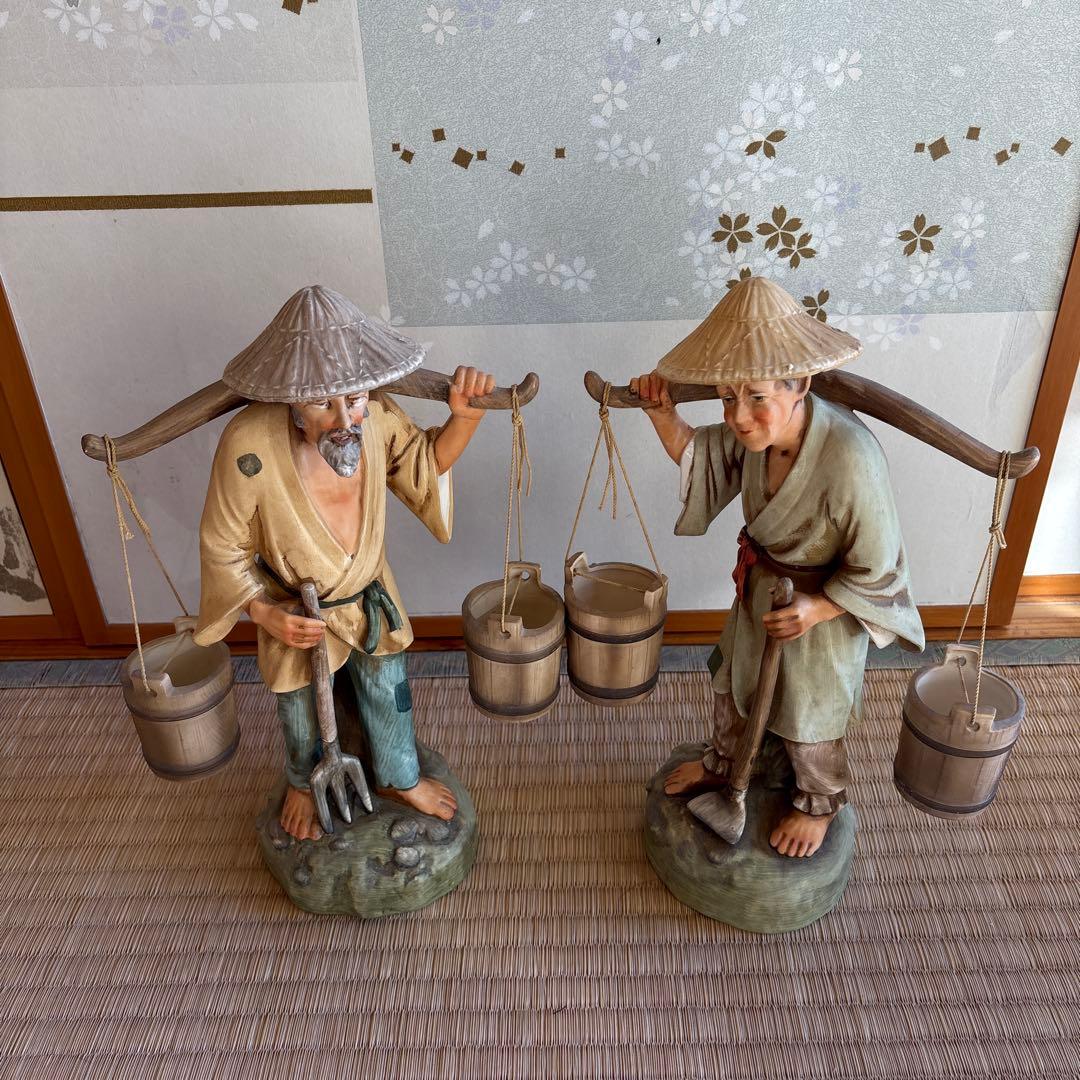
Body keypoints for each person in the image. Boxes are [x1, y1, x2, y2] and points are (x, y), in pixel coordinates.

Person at [632, 276, 924, 858]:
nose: (739, 417)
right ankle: (724, 764)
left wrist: (818, 609)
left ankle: (817, 801)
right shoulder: (752, 438)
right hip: (761, 593)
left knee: (811, 713)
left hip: (823, 610)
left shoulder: (850, 456)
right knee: (732, 685)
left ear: (800, 386)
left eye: (757, 397)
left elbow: (881, 566)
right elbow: (703, 457)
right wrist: (662, 414)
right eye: (727, 397)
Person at [192, 285, 495, 842]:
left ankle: (399, 777)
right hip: (295, 609)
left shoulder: (376, 418)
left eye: (353, 399)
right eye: (321, 404)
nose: (343, 420)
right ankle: (303, 783)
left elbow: (422, 465)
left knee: (388, 687)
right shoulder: (248, 444)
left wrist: (465, 419)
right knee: (299, 708)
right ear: (291, 402)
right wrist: (266, 614)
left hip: (368, 596)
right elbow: (223, 546)